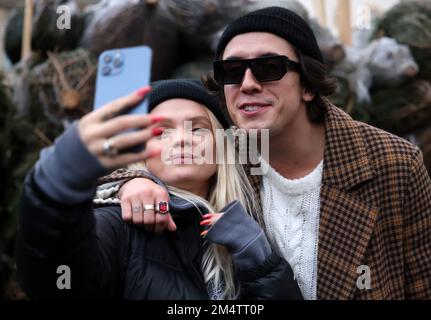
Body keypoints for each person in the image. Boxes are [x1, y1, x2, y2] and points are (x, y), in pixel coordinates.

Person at [96, 7, 431, 300]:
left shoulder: (393, 163)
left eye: (268, 67)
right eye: (231, 71)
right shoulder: (226, 160)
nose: (248, 83)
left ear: (308, 84)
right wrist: (131, 180)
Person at [16, 79, 302, 300]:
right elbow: (56, 280)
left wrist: (261, 265)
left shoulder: (258, 218)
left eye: (198, 129)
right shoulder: (120, 222)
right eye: (161, 131)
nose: (181, 140)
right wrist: (58, 182)